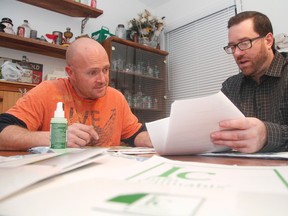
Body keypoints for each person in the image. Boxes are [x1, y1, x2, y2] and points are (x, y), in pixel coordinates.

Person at [0, 38, 152, 150]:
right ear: (70, 73)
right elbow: (3, 132)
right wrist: (55, 138)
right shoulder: (47, 92)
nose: (103, 80)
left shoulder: (116, 98)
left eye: (105, 69)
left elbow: (135, 135)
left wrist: (159, 138)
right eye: (92, 72)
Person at [210, 11, 288, 153]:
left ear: (268, 41)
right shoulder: (230, 86)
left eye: (244, 43)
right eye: (232, 47)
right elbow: (212, 128)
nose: (237, 53)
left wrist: (267, 134)